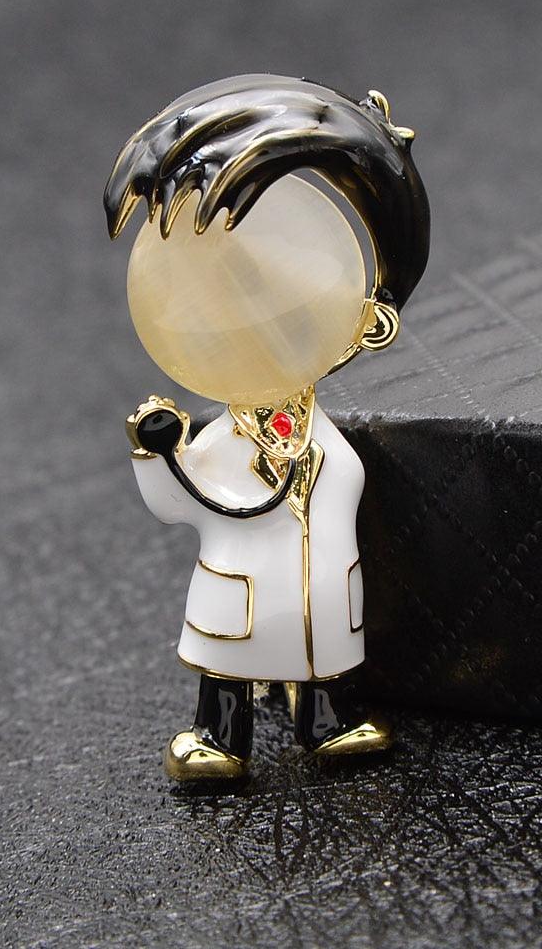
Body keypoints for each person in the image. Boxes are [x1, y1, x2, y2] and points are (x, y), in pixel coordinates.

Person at [105, 74, 430, 781]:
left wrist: (308, 476)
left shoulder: (323, 438)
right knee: (229, 668)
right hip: (245, 591)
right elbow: (177, 504)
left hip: (318, 592)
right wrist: (158, 452)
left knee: (322, 659)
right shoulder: (220, 440)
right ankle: (220, 737)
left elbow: (345, 484)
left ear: (369, 325)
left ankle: (326, 723)